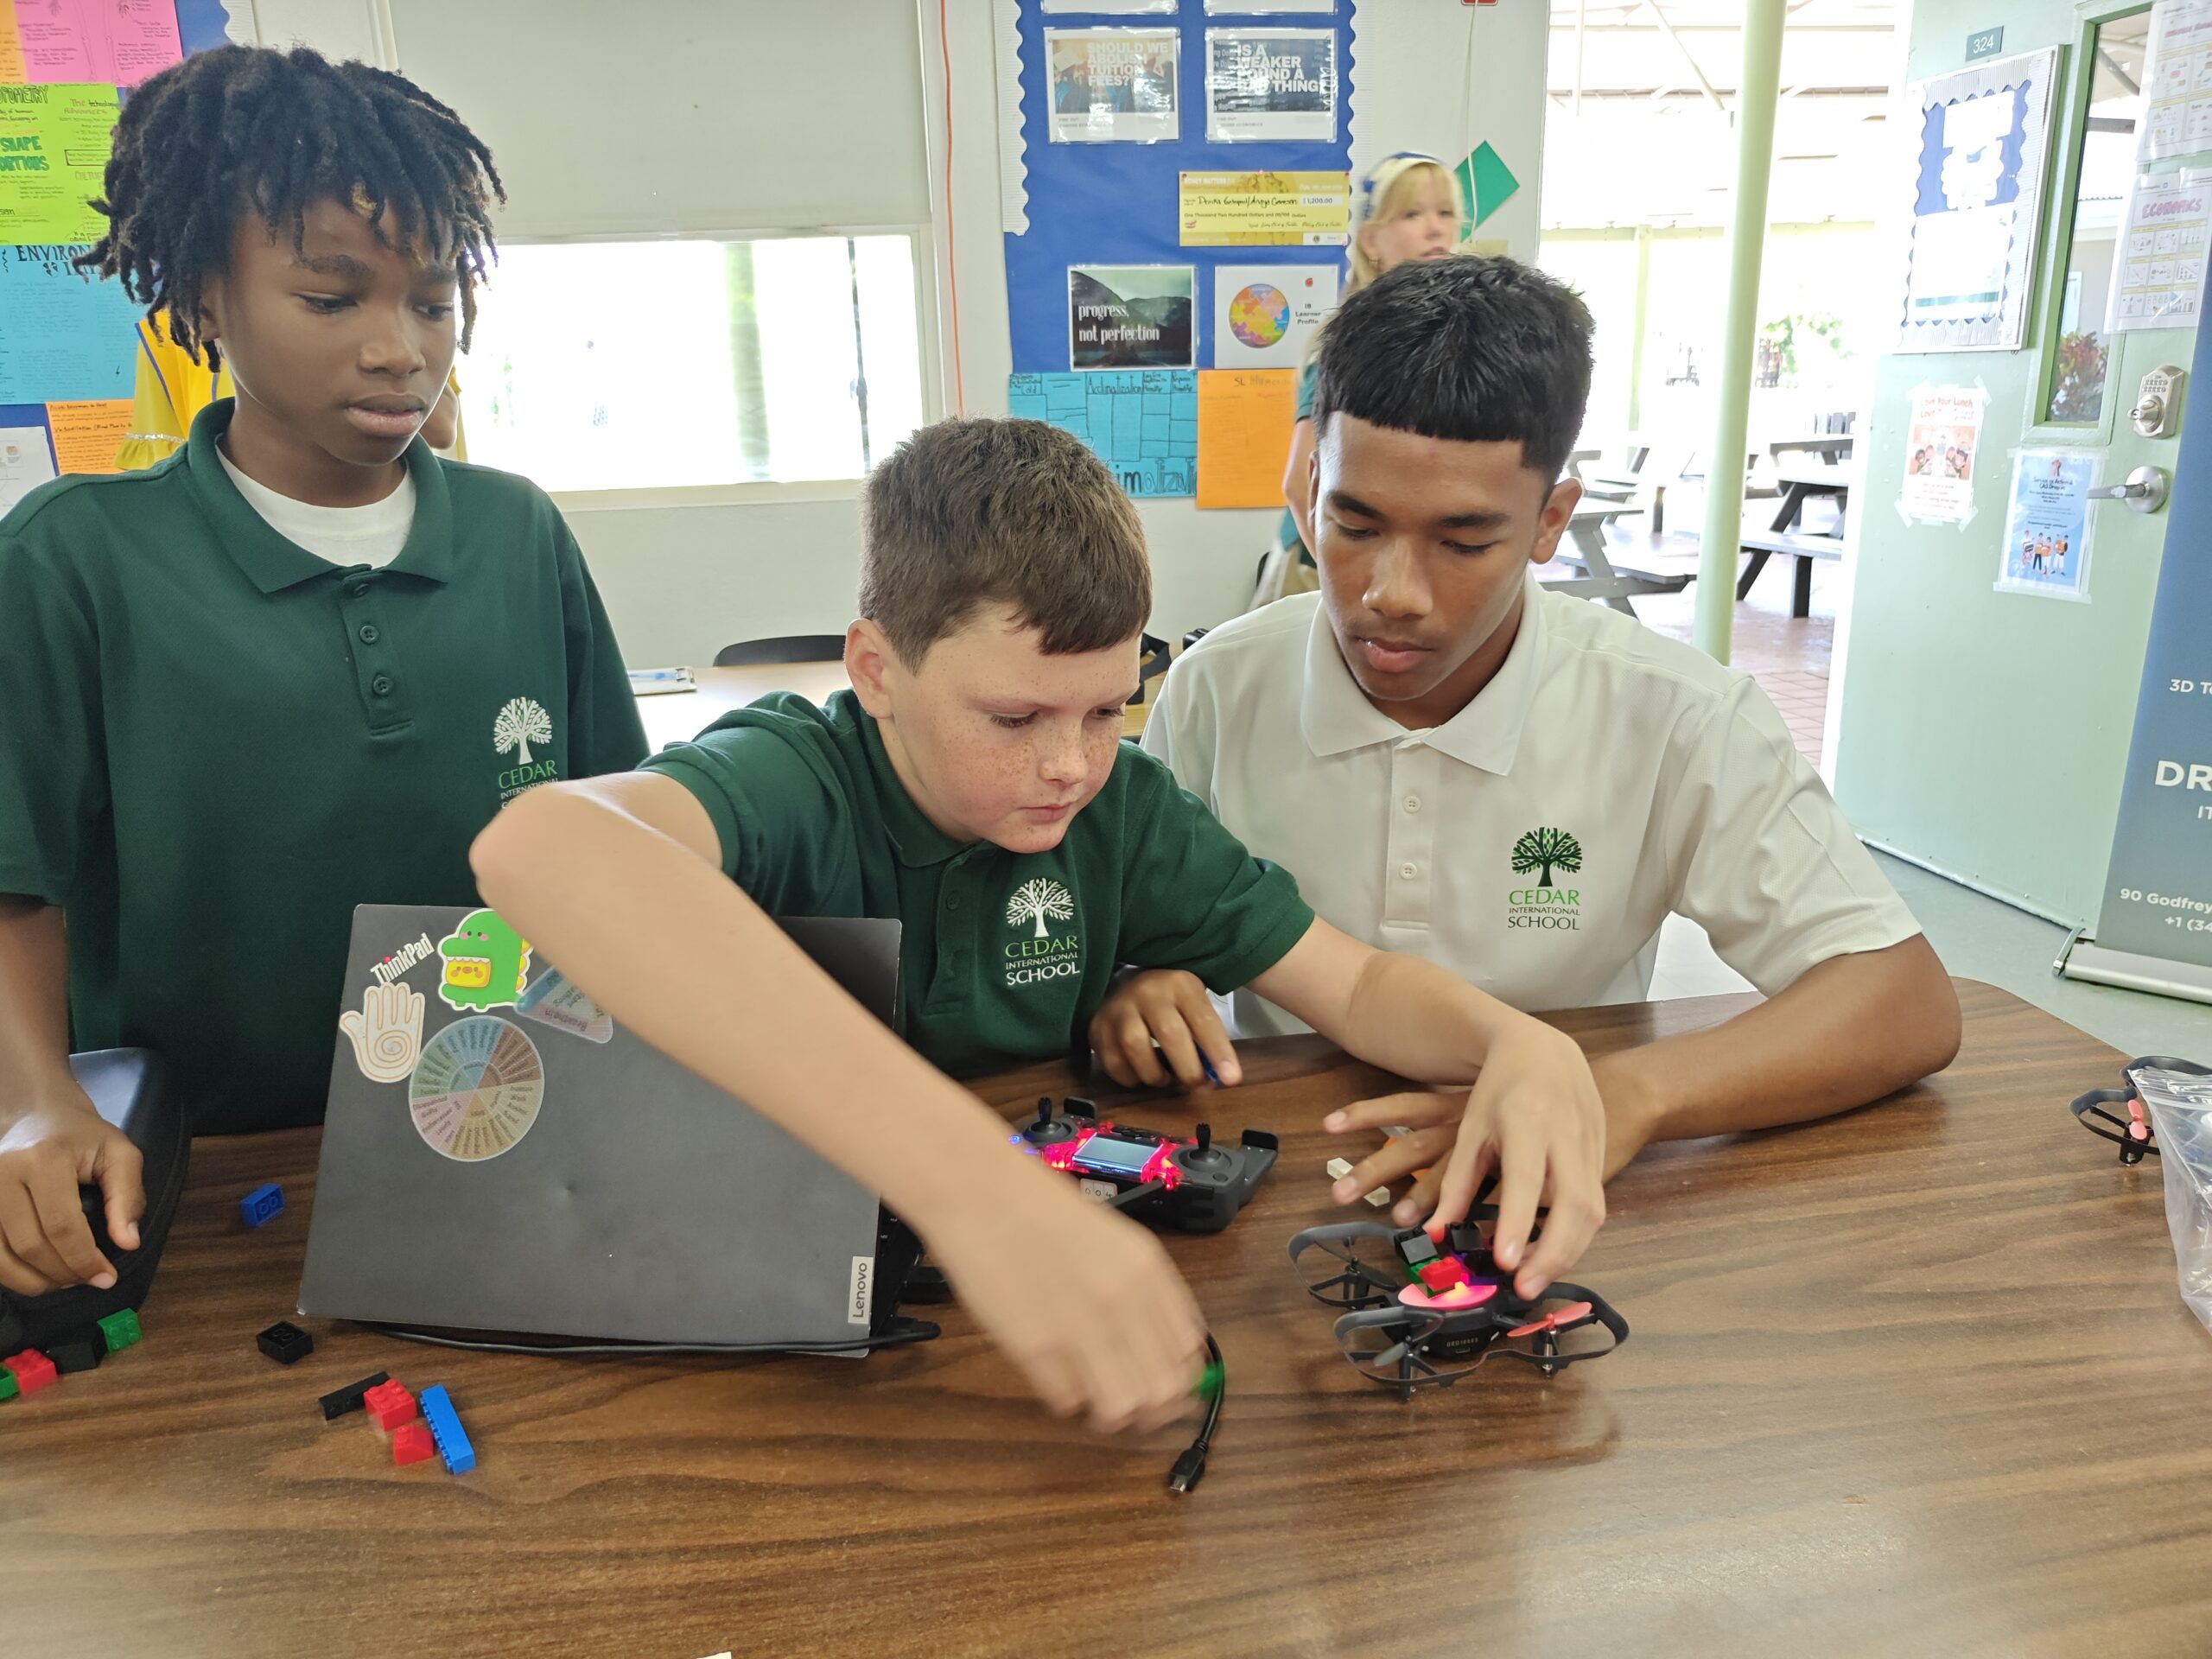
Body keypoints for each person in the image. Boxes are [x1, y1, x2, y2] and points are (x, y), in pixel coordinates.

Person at [469, 416, 1611, 1433]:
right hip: (743, 1327)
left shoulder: (1121, 814)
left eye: (1108, 709)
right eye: (1014, 718)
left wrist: (1514, 1041)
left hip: (996, 1344)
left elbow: (1353, 988)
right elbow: (539, 847)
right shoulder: (794, 780)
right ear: (876, 669)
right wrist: (977, 1189)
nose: (1069, 764)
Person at [1103, 257, 1961, 1224]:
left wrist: (1622, 1096)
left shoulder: (1676, 714)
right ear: (1309, 487)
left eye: (1463, 542)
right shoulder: (1218, 686)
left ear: (1551, 521)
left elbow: (1902, 1000)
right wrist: (1141, 979)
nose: (1392, 593)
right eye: (1353, 523)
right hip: (1283, 1174)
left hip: (1557, 1189)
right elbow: (1133, 915)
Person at [0, 46, 646, 1298]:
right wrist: (34, 1105)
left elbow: (618, 828)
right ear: (205, 296)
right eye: (331, 299)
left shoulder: (517, 532)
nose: (400, 350)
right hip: (200, 1175)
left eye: (435, 302)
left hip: (502, 1130)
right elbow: (12, 883)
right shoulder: (73, 558)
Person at [1254, 152, 1463, 607]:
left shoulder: (1446, 339)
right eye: (1412, 214)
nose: (1435, 228)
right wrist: (1343, 581)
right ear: (1371, 240)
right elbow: (1298, 483)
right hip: (1318, 569)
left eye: (1446, 212)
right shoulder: (1351, 342)